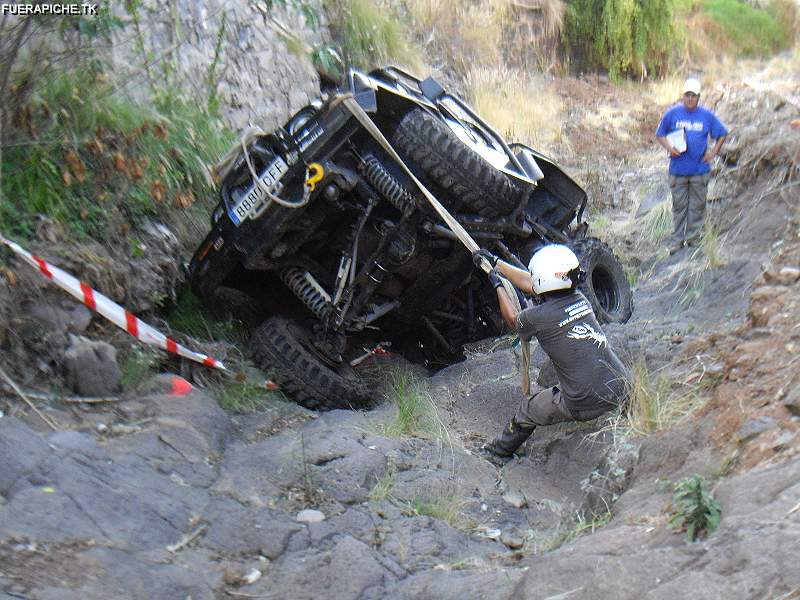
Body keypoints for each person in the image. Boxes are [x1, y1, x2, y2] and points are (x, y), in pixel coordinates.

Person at [474, 245, 629, 463]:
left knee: (529, 409)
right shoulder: (581, 300)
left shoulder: (539, 316)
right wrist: (496, 264)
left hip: (585, 401)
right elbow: (535, 283)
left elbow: (512, 319)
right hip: (621, 385)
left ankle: (499, 452)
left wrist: (497, 284)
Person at [656, 77, 728, 254]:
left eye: (693, 96)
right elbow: (660, 134)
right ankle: (677, 241)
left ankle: (693, 240)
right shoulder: (672, 114)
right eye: (687, 95)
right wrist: (669, 148)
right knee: (679, 206)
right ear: (683, 96)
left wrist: (713, 153)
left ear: (698, 97)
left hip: (699, 171)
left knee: (697, 206)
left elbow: (722, 133)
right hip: (678, 170)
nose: (690, 99)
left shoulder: (707, 116)